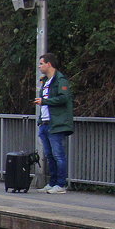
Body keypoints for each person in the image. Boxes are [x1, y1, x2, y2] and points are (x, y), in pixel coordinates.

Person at [33, 53, 73, 194]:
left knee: (58, 155)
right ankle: (52, 182)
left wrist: (45, 101)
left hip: (56, 124)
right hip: (44, 122)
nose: (39, 66)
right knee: (49, 155)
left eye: (41, 63)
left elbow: (63, 98)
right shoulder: (45, 81)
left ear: (49, 64)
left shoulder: (60, 80)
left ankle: (61, 184)